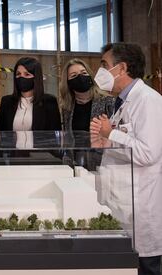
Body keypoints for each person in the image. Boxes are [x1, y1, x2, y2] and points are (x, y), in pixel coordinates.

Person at [90, 42, 162, 275]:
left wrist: (110, 133)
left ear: (121, 68)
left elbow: (148, 153)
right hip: (124, 207)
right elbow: (127, 145)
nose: (99, 72)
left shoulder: (149, 100)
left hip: (142, 209)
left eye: (104, 65)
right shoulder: (122, 102)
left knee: (146, 268)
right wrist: (106, 143)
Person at [0, 57, 61, 131]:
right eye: (18, 74)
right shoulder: (6, 102)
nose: (21, 77)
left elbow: (55, 134)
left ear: (36, 78)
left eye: (27, 74)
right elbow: (1, 133)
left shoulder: (49, 102)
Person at [59, 58, 114, 131]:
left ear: (90, 76)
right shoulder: (67, 107)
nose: (80, 77)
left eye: (84, 73)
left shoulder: (107, 101)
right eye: (74, 75)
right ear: (68, 83)